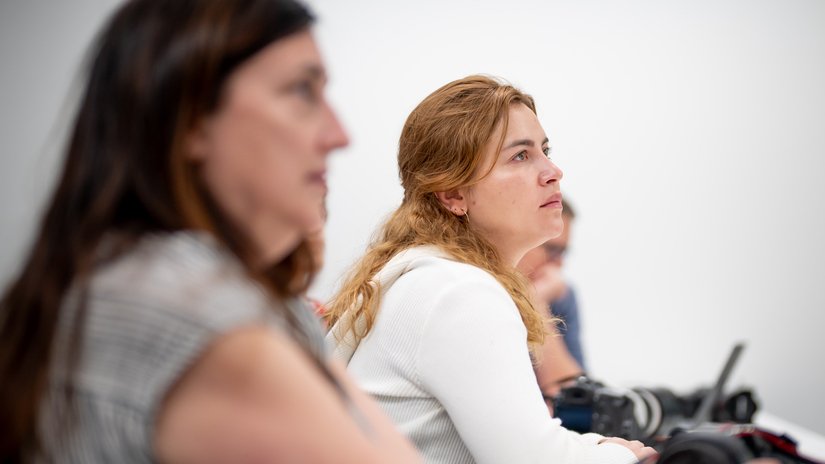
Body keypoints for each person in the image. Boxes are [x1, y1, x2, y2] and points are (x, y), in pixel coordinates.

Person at [0, 1, 423, 463]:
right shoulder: (193, 308)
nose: (339, 135)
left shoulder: (120, 273)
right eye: (302, 90)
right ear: (191, 118)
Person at [324, 75, 656, 464]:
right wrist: (625, 456)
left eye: (545, 150)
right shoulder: (457, 292)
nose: (554, 171)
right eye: (521, 156)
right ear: (453, 193)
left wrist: (599, 448)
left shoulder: (431, 277)